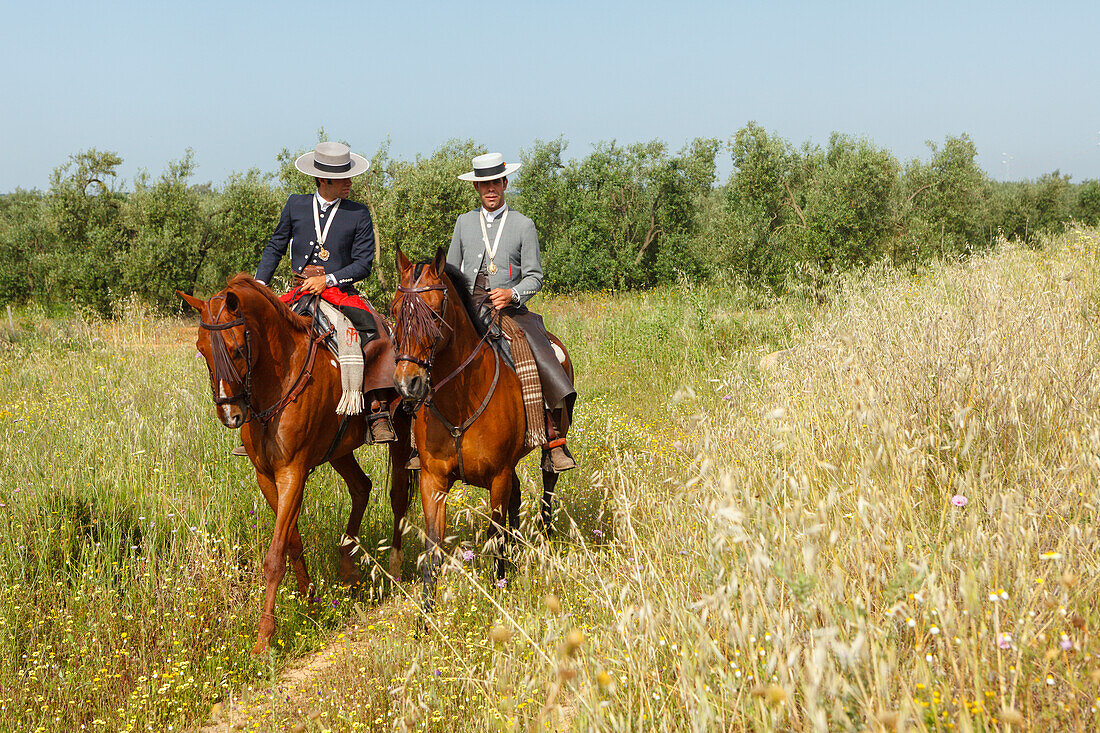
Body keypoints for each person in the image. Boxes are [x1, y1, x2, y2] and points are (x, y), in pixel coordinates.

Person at [233, 141, 395, 454]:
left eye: (349, 176)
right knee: (256, 338)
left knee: (375, 333)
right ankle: (252, 417)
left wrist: (329, 279)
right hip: (298, 290)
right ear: (323, 180)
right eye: (343, 177)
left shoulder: (358, 214)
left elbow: (363, 264)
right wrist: (257, 287)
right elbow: (275, 248)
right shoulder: (295, 205)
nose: (350, 182)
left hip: (339, 292)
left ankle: (377, 409)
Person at [447, 152, 577, 472]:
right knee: (430, 347)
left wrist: (512, 293)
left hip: (509, 309)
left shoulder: (523, 224)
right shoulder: (464, 222)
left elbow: (535, 276)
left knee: (539, 354)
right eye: (484, 184)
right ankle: (419, 438)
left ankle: (552, 437)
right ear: (477, 189)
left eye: (495, 182)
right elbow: (450, 271)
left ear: (505, 183)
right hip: (469, 309)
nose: (490, 189)